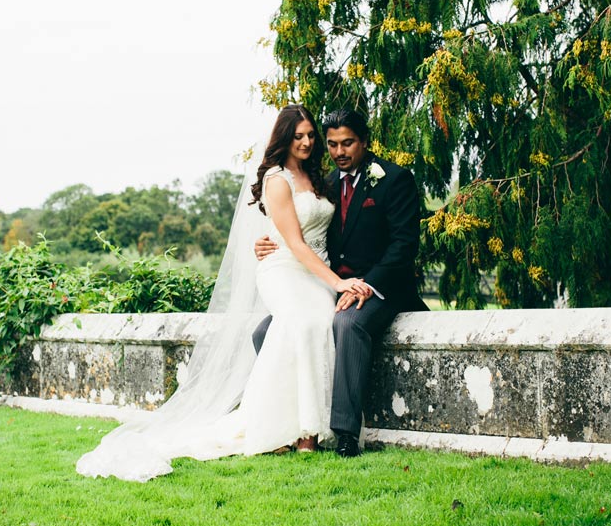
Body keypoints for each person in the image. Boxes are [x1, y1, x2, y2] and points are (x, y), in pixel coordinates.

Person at [76, 104, 368, 482]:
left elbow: (324, 231)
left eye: (311, 135)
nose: (308, 142)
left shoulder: (317, 177)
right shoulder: (277, 179)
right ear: (283, 137)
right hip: (283, 269)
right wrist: (337, 282)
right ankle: (301, 432)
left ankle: (295, 427)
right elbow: (294, 243)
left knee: (301, 329)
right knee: (305, 321)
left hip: (315, 270)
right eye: (299, 136)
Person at [254, 106, 428, 458]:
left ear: (364, 142)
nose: (339, 152)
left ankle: (344, 433)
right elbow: (300, 232)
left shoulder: (394, 179)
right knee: (263, 331)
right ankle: (290, 420)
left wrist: (368, 284)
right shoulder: (326, 184)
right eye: (332, 144)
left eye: (347, 143)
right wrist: (266, 243)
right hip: (332, 284)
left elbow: (403, 246)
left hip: (382, 287)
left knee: (346, 324)